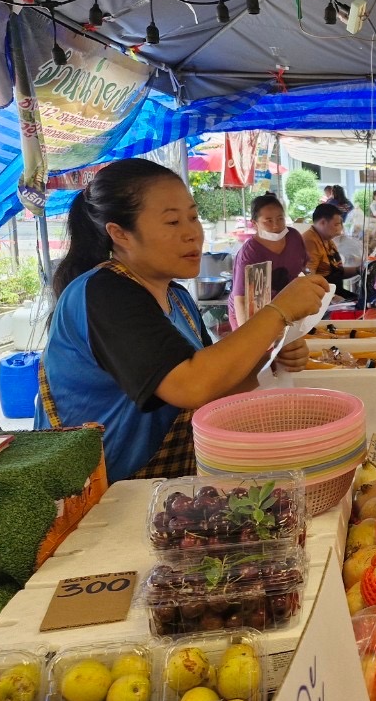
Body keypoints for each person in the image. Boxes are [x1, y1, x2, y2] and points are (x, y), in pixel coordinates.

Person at [36, 159, 329, 482]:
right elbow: (190, 385)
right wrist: (279, 312)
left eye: (193, 217)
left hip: (152, 490)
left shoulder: (179, 299)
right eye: (173, 222)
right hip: (95, 498)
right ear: (120, 234)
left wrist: (268, 360)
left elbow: (215, 391)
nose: (192, 233)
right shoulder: (104, 293)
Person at [230, 193, 308, 328]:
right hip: (250, 312)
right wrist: (246, 333)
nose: (276, 226)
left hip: (283, 308)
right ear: (254, 223)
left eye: (280, 219)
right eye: (268, 221)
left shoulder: (294, 237)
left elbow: (302, 271)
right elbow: (241, 300)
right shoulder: (251, 253)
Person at [303, 203, 348, 296]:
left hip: (334, 291)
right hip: (323, 296)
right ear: (323, 222)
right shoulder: (310, 241)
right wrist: (331, 298)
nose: (340, 228)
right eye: (336, 224)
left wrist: (358, 270)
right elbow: (308, 279)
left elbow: (338, 270)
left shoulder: (328, 240)